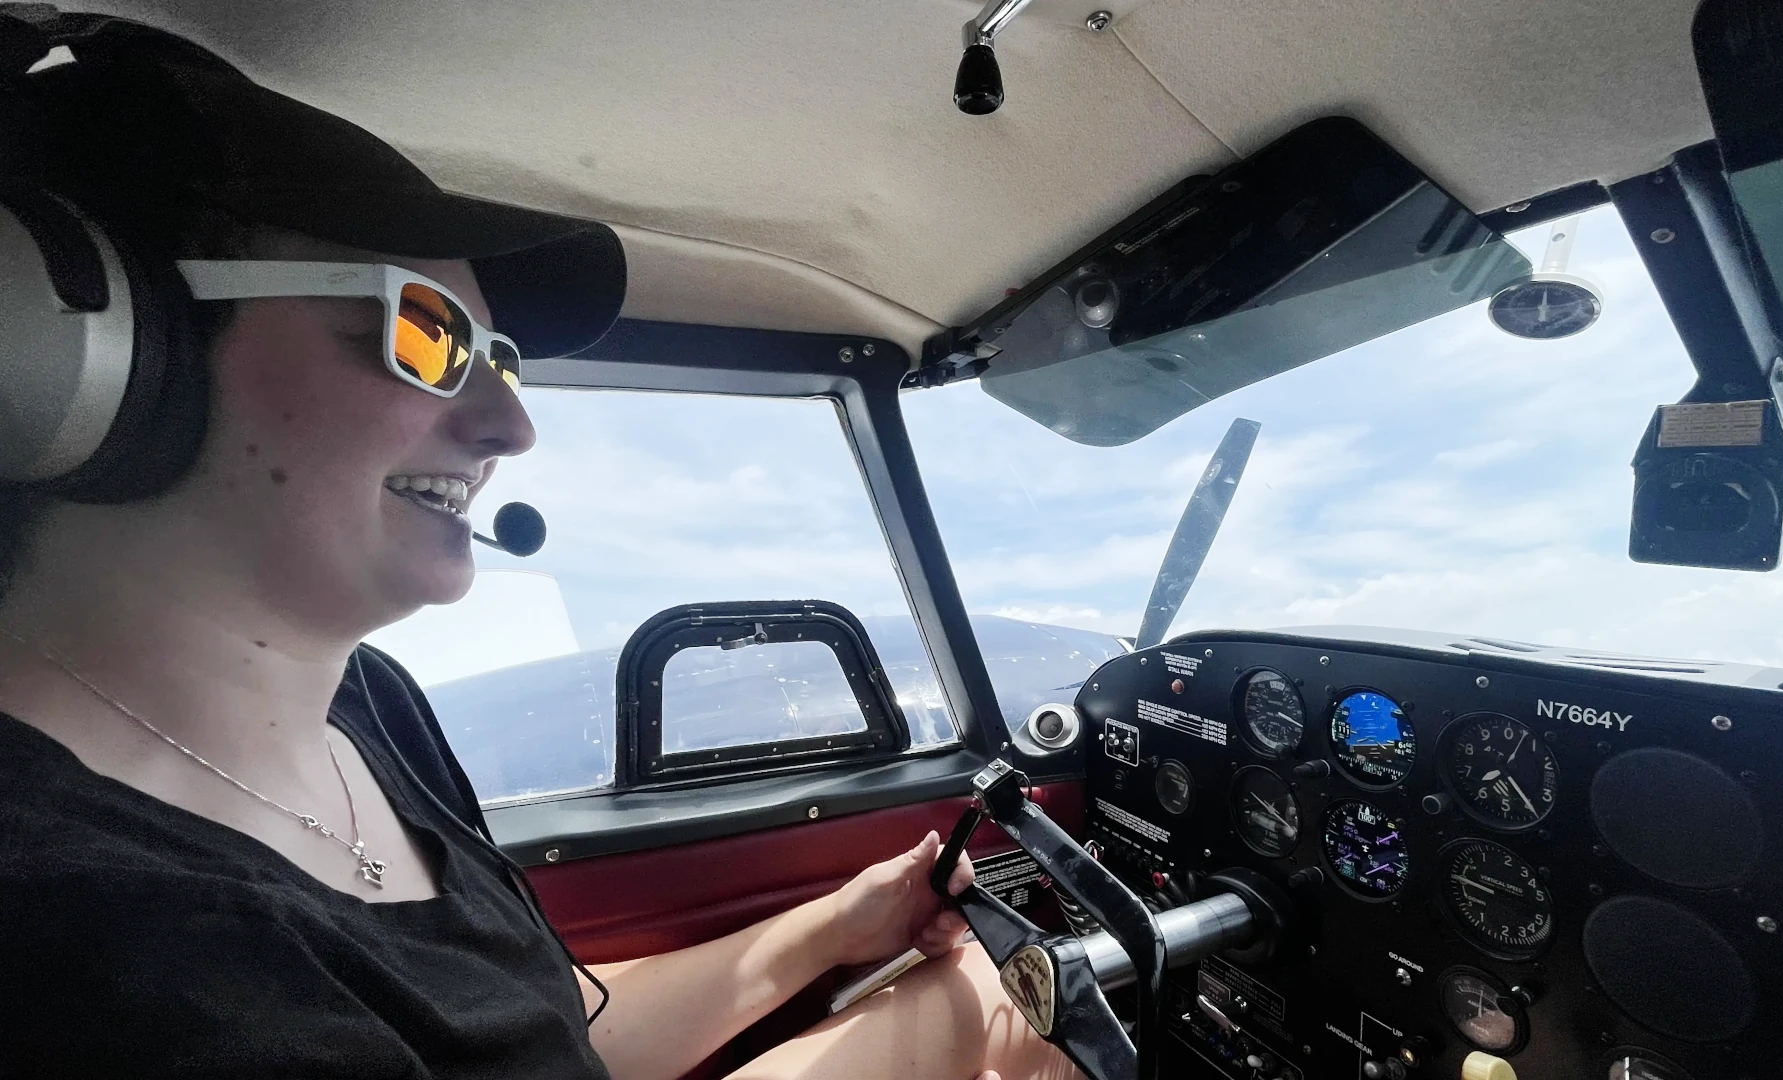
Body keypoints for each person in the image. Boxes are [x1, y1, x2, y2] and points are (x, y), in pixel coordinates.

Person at [0, 18, 1078, 1080]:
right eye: (425, 333)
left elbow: (552, 1040)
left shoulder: (368, 707)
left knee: (987, 997)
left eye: (501, 361)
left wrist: (842, 921)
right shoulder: (87, 940)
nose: (509, 427)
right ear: (82, 347)